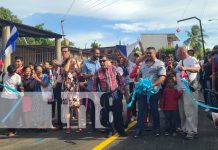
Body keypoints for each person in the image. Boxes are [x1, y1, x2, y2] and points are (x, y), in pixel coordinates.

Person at [134, 47, 166, 138]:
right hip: (143, 92)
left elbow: (162, 77)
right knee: (141, 111)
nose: (148, 54)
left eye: (150, 53)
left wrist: (153, 85)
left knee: (154, 110)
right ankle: (138, 130)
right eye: (147, 53)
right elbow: (140, 74)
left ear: (155, 53)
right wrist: (139, 82)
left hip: (154, 91)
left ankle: (157, 129)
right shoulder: (143, 64)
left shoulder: (160, 63)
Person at [93, 56, 126, 137]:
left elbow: (120, 79)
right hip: (105, 95)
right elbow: (94, 85)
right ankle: (110, 130)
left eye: (103, 61)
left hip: (115, 94)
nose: (102, 63)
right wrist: (95, 95)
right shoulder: (97, 72)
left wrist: (122, 89)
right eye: (100, 61)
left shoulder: (114, 69)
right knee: (106, 114)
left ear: (108, 61)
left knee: (117, 113)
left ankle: (121, 131)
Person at [176, 46, 200, 140]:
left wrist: (185, 68)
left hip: (189, 89)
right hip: (180, 90)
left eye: (178, 52)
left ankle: (192, 131)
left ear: (182, 52)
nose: (177, 54)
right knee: (183, 112)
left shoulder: (192, 59)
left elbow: (197, 69)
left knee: (190, 111)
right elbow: (176, 71)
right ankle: (185, 129)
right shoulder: (180, 61)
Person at [0, 65, 24, 137]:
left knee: (12, 115)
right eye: (10, 73)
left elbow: (20, 86)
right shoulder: (3, 75)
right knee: (5, 114)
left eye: (13, 72)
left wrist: (21, 92)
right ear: (8, 72)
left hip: (13, 98)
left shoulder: (17, 77)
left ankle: (13, 130)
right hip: (4, 97)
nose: (12, 74)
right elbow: (1, 85)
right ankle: (9, 129)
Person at [82, 48, 101, 131]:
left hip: (101, 88)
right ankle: (94, 125)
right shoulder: (86, 64)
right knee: (93, 108)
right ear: (92, 53)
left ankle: (100, 123)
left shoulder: (100, 62)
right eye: (96, 53)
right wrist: (92, 75)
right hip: (91, 89)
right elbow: (84, 76)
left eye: (98, 53)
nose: (98, 55)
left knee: (100, 107)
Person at [61, 56, 81, 133]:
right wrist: (69, 60)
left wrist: (77, 62)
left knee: (77, 108)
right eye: (71, 62)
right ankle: (68, 126)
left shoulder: (76, 70)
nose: (73, 63)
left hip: (75, 92)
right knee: (67, 109)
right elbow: (65, 69)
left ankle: (79, 126)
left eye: (74, 62)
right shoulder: (64, 70)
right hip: (66, 92)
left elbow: (79, 70)